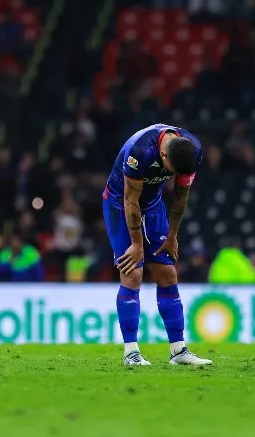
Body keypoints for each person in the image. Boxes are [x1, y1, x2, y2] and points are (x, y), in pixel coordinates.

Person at [104, 123, 211, 366]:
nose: (172, 176)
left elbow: (180, 195)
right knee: (132, 274)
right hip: (121, 205)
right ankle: (131, 353)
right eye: (170, 171)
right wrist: (137, 244)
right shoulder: (139, 151)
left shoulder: (191, 150)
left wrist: (172, 234)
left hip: (153, 207)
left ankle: (179, 351)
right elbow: (131, 200)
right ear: (163, 154)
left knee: (168, 273)